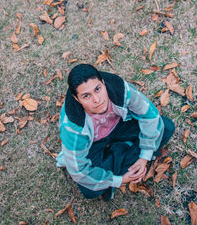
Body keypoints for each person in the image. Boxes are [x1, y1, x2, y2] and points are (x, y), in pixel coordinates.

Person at [56, 64, 175, 200]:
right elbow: (80, 172)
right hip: (93, 143)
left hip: (120, 125)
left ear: (103, 83)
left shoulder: (121, 89)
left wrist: (144, 157)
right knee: (90, 191)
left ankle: (117, 155)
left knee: (166, 127)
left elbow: (150, 115)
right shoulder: (72, 126)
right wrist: (119, 180)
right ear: (77, 99)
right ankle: (121, 151)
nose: (97, 99)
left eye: (98, 89)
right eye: (86, 96)